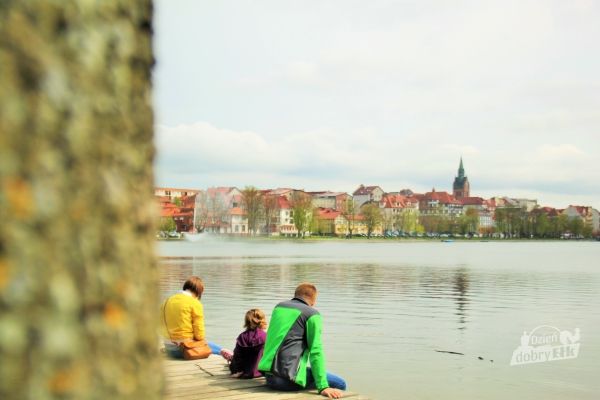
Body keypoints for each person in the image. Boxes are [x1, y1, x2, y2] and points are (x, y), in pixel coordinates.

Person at [258, 283, 346, 399]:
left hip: (269, 377)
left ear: (296, 295)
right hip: (287, 381)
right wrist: (323, 387)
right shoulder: (312, 314)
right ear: (313, 300)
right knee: (340, 383)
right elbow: (316, 352)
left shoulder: (279, 307)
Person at [161, 276, 222, 358]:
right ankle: (228, 354)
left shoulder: (166, 301)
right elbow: (199, 335)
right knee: (219, 349)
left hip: (169, 349)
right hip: (186, 350)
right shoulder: (194, 303)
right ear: (198, 291)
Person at [221, 308, 268, 378]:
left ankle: (229, 357)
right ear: (263, 320)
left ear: (247, 322)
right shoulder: (266, 336)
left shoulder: (242, 337)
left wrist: (236, 371)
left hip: (243, 373)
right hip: (260, 372)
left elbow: (237, 357)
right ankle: (229, 356)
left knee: (228, 353)